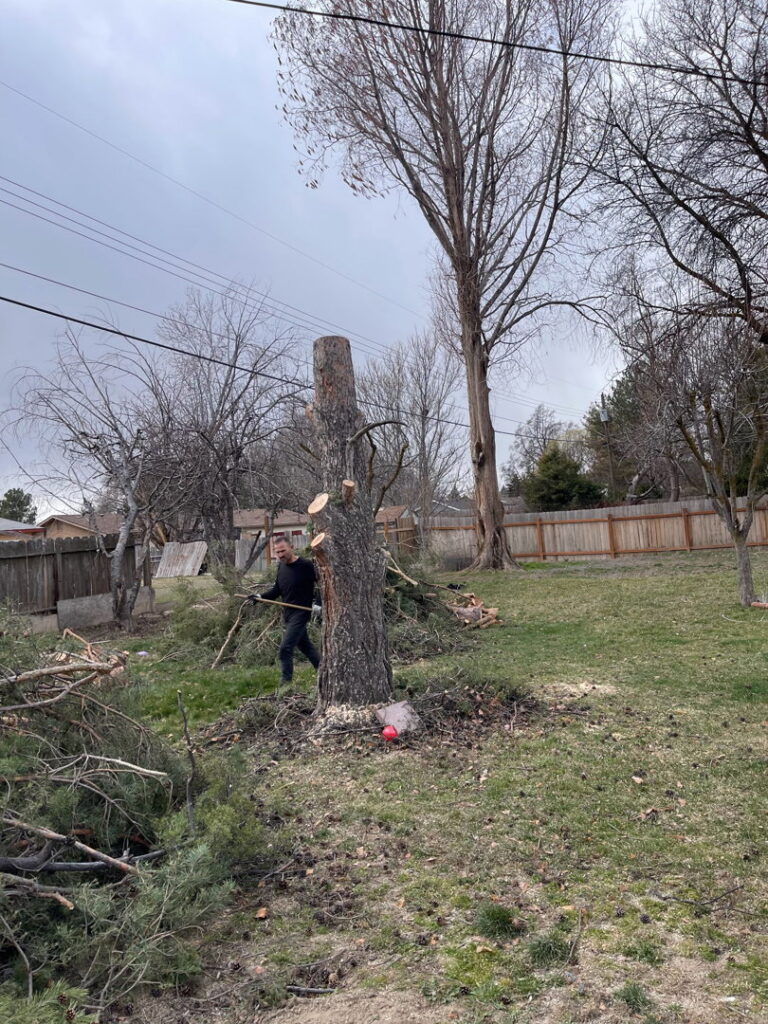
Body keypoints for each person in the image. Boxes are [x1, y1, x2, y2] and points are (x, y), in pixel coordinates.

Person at [249, 536, 321, 685]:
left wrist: (318, 604)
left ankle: (285, 685)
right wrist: (260, 596)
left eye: (283, 551)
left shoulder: (306, 565)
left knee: (285, 648)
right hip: (288, 614)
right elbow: (277, 590)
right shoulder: (281, 567)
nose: (281, 555)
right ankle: (324, 672)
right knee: (306, 647)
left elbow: (321, 585)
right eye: (277, 552)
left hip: (301, 613)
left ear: (291, 547)